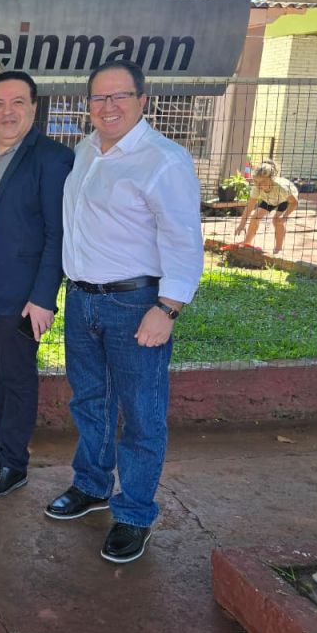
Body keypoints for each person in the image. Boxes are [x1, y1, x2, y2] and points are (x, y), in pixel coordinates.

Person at [48, 61, 203, 563]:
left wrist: (167, 308)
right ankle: (92, 485)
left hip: (136, 303)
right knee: (90, 400)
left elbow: (183, 240)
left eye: (119, 96)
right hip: (83, 298)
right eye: (99, 97)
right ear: (88, 104)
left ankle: (134, 513)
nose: (108, 106)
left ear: (142, 100)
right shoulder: (85, 151)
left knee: (141, 412)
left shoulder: (164, 159)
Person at [0, 71, 74, 498]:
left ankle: (13, 464)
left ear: (34, 107)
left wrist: (43, 298)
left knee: (17, 376)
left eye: (18, 102)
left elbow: (58, 234)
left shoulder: (52, 159)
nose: (8, 112)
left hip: (23, 294)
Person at [233, 160, 299, 253]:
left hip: (283, 199)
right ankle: (247, 242)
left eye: (263, 181)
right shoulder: (257, 187)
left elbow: (294, 203)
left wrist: (285, 217)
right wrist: (242, 224)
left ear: (271, 179)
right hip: (269, 199)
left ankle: (278, 249)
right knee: (255, 217)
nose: (259, 185)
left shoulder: (282, 188)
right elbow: (250, 206)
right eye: (256, 181)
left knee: (277, 220)